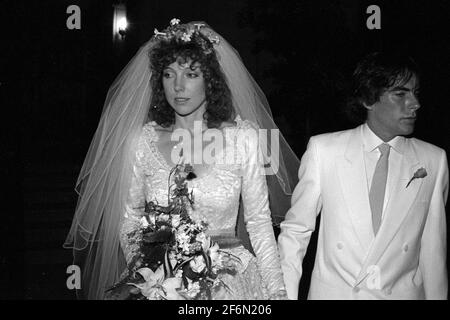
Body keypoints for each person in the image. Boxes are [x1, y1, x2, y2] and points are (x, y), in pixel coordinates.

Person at [64, 19, 299, 300]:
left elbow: (259, 223)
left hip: (230, 283)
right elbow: (129, 220)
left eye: (190, 74)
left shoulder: (243, 137)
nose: (178, 86)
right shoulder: (142, 142)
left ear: (209, 79)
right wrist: (153, 274)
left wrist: (277, 290)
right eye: (168, 74)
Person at [278, 52, 448, 300]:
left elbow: (434, 250)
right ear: (369, 99)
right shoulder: (324, 151)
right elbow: (295, 233)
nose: (415, 103)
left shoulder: (434, 159)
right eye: (401, 94)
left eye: (416, 93)